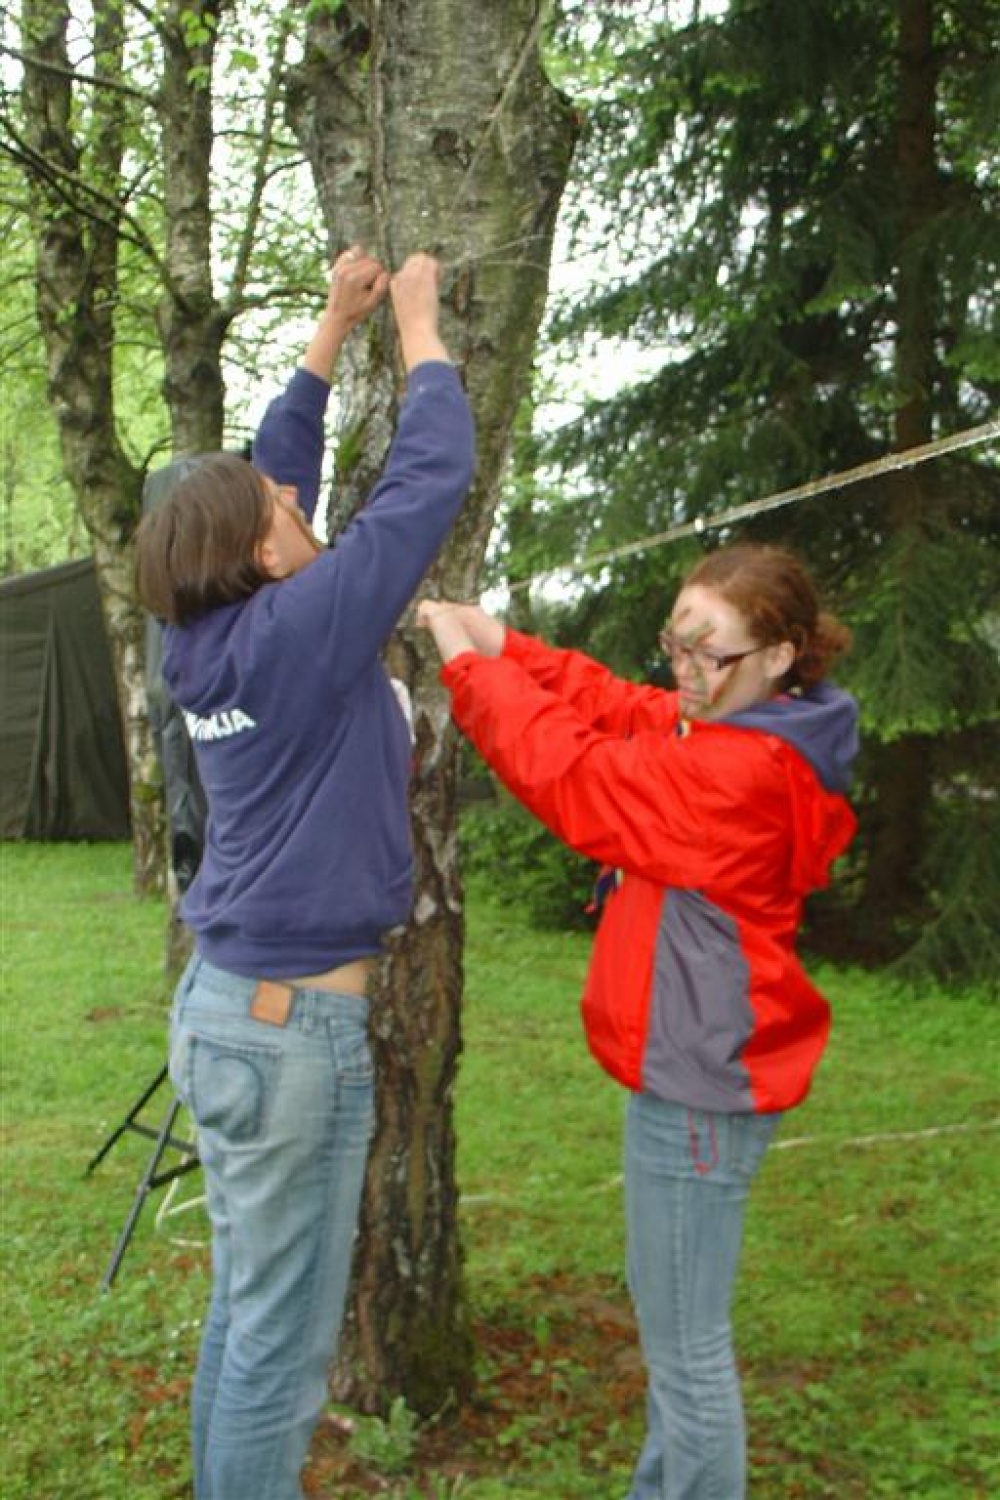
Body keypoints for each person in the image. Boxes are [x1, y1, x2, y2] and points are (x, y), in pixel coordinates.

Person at [135, 247, 475, 1500]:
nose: (296, 500)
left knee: (248, 1311)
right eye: (282, 509)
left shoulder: (206, 638)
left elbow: (270, 471)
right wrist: (421, 333)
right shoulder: (304, 623)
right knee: (282, 1350)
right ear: (269, 555)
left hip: (228, 1011)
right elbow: (429, 478)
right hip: (290, 1038)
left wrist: (332, 331)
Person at [416, 543, 859, 1500]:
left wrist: (468, 666)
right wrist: (507, 642)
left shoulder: (738, 773)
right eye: (675, 645)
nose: (684, 673)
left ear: (781, 655)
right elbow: (619, 707)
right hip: (697, 1071)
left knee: (687, 1355)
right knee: (677, 1342)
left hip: (699, 1085)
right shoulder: (747, 723)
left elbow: (574, 775)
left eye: (709, 654)